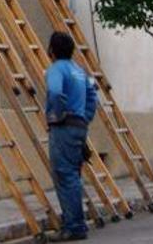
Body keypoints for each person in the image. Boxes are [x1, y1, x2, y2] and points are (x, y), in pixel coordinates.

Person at [45, 32, 97, 241]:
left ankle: (74, 226)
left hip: (63, 128)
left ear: (52, 50)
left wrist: (56, 114)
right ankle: (76, 223)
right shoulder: (79, 71)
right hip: (79, 126)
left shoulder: (56, 69)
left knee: (65, 176)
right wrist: (85, 117)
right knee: (73, 175)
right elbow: (93, 96)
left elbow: (55, 93)